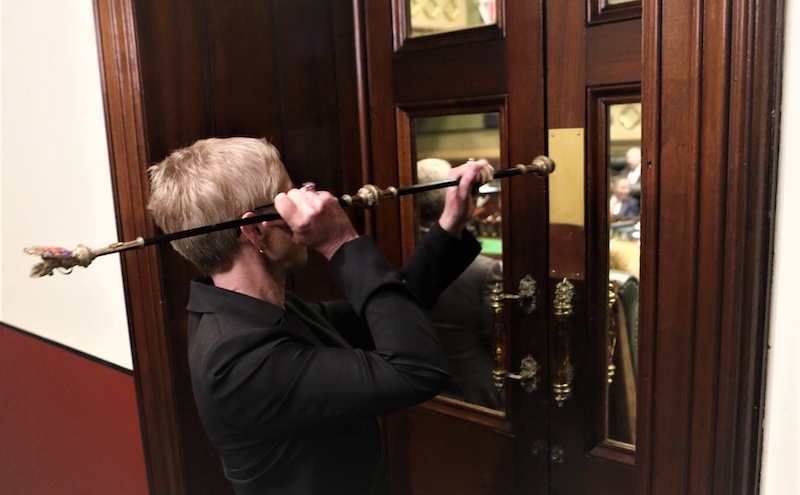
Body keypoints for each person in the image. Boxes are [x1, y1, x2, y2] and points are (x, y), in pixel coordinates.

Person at [147, 137, 494, 495]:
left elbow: (388, 312)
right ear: (255, 230)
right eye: (292, 194)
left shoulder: (263, 311)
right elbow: (417, 370)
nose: (308, 199)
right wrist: (339, 242)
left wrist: (450, 224)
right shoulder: (238, 359)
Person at [416, 158, 503, 409]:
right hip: (475, 397)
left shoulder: (388, 255)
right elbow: (499, 342)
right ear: (455, 197)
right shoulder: (484, 271)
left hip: (415, 397)